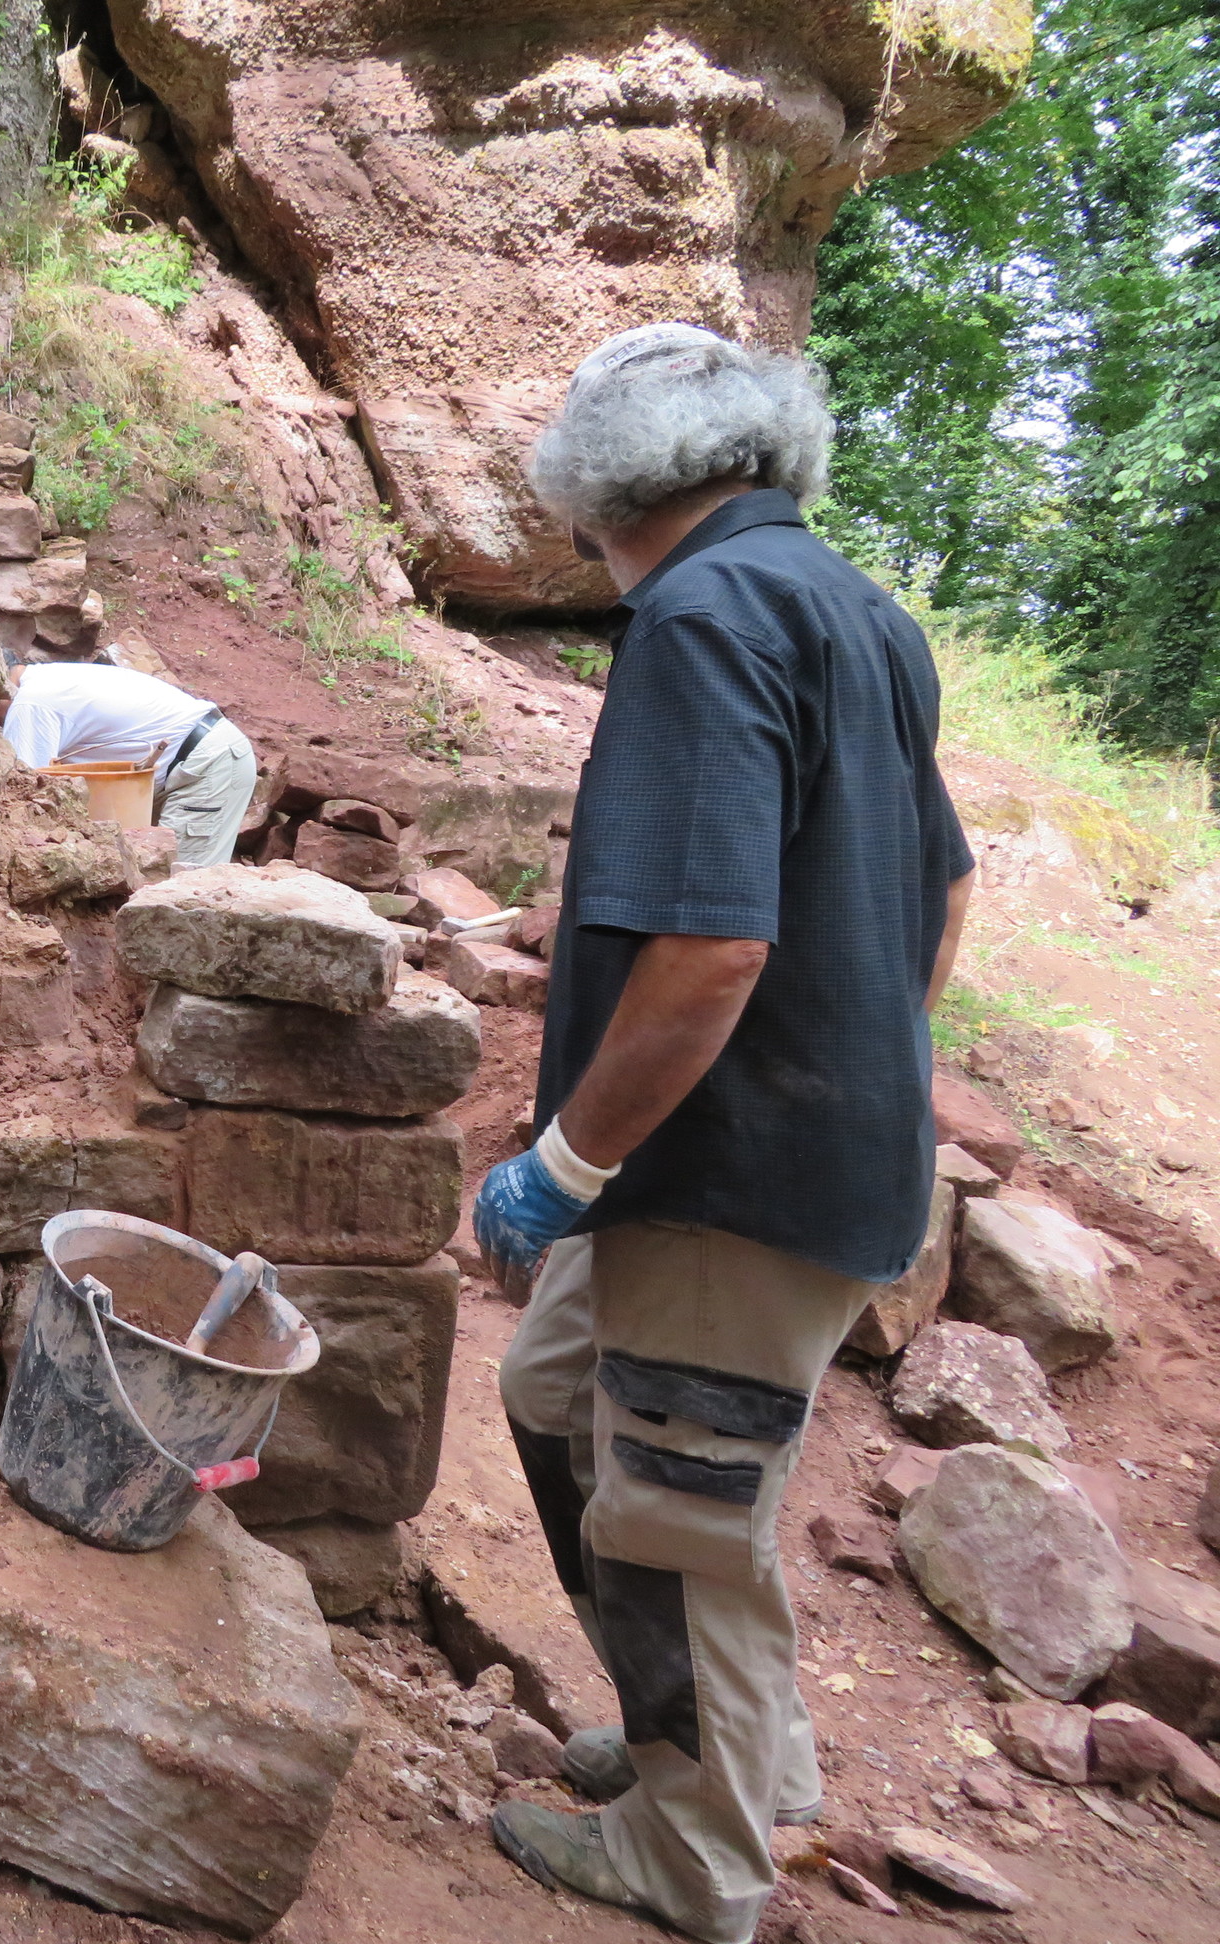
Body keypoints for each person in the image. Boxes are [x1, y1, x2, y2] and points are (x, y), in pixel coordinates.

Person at [471, 324, 975, 1944]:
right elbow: (948, 886)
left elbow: (709, 950)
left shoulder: (698, 619)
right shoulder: (859, 610)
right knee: (555, 1395)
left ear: (596, 486)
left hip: (726, 1176)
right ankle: (714, 1737)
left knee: (682, 1512)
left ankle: (695, 1856)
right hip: (789, 1156)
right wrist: (870, 1056)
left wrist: (561, 1165)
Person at [0, 632, 259, 868]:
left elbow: (25, 798)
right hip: (192, 759)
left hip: (205, 767)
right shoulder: (49, 680)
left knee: (182, 887)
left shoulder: (30, 703)